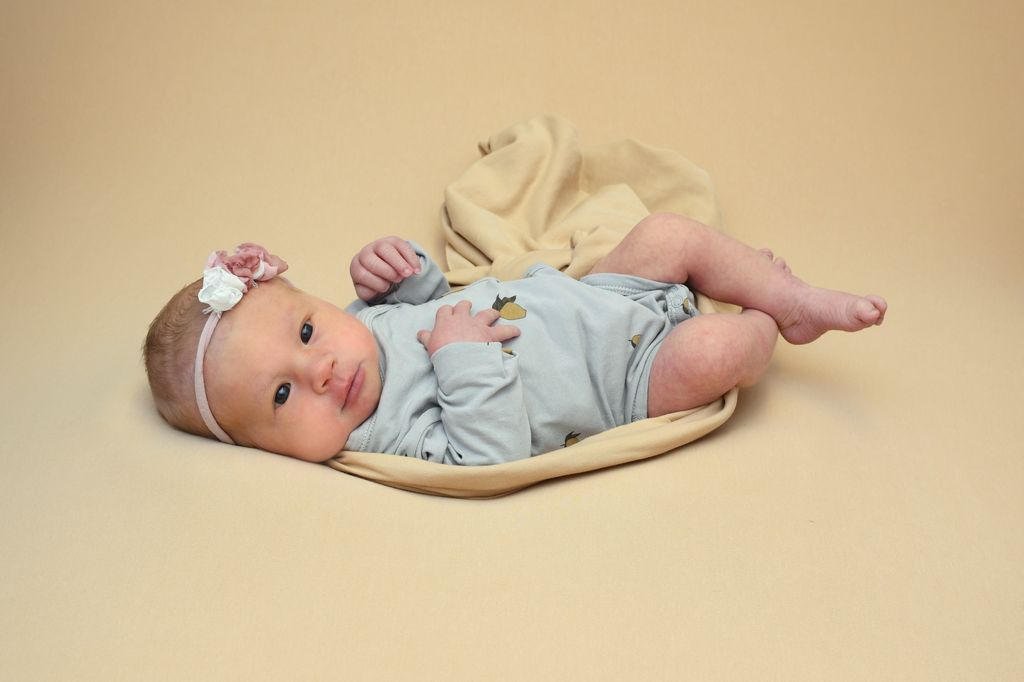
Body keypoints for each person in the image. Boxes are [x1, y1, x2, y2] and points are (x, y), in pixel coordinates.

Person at [144, 212, 886, 465]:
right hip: (625, 381)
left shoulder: (359, 327)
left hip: (599, 296)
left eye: (307, 330)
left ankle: (792, 301)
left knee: (666, 235)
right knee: (715, 353)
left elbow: (437, 304)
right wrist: (461, 358)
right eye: (281, 395)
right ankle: (762, 323)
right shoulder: (385, 435)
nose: (322, 369)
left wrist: (401, 274)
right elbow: (487, 454)